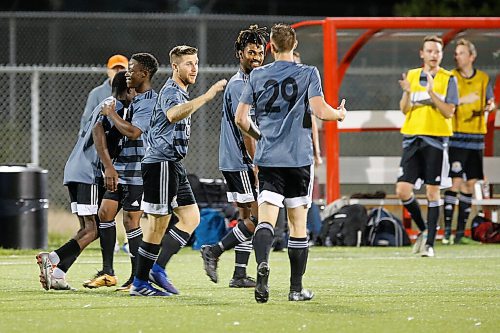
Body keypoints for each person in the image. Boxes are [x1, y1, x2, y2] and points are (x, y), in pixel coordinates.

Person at [235, 23, 347, 303]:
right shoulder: (308, 72)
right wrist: (340, 115)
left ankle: (262, 266)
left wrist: (260, 136)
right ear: (294, 46)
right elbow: (320, 110)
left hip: (270, 158)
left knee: (266, 220)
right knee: (298, 225)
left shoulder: (257, 75)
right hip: (298, 158)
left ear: (270, 47)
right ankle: (296, 289)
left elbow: (240, 119)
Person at [129, 45, 227, 296]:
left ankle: (158, 269)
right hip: (160, 163)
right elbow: (173, 115)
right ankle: (139, 283)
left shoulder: (181, 92)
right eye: (188, 64)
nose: (194, 68)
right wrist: (207, 96)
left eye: (196, 63)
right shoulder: (172, 91)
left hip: (173, 164)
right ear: (175, 67)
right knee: (157, 225)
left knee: (191, 218)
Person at [35, 69, 131, 291]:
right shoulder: (115, 107)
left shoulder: (107, 103)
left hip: (76, 169)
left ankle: (58, 274)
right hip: (88, 171)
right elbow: (98, 132)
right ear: (128, 89)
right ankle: (53, 258)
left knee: (87, 229)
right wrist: (108, 166)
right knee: (93, 229)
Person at [84, 53, 160, 292]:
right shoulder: (122, 99)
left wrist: (112, 115)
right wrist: (108, 165)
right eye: (126, 70)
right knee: (105, 213)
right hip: (118, 169)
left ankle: (138, 278)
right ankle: (108, 272)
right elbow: (97, 128)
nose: (127, 74)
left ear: (144, 74)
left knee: (130, 221)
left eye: (131, 69)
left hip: (139, 171)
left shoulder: (149, 101)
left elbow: (135, 133)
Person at [200, 25, 268, 288]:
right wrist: (256, 163)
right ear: (239, 53)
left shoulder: (248, 82)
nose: (256, 57)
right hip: (242, 161)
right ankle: (214, 251)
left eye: (260, 53)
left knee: (245, 217)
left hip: (232, 160)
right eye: (251, 52)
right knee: (259, 218)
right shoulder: (241, 84)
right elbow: (246, 129)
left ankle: (239, 274)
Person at [397, 35, 459, 257]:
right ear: (422, 53)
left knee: (433, 192)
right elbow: (404, 109)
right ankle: (424, 230)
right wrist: (406, 91)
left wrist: (432, 92)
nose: (434, 55)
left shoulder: (448, 78)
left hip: (436, 139)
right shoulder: (413, 75)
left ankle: (430, 244)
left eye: (437, 51)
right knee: (402, 190)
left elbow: (449, 111)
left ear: (442, 55)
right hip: (412, 137)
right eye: (430, 51)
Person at [443, 39, 496, 245]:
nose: (457, 56)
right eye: (456, 53)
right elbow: (449, 103)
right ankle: (447, 231)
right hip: (457, 136)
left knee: (470, 183)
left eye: (462, 53)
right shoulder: (451, 77)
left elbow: (490, 101)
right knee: (455, 182)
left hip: (476, 138)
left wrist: (489, 106)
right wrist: (462, 102)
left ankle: (459, 235)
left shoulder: (483, 78)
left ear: (472, 56)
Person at [80, 54, 129, 134]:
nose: (118, 71)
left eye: (122, 68)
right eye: (114, 68)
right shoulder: (96, 93)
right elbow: (87, 120)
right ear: (108, 71)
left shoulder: (135, 93)